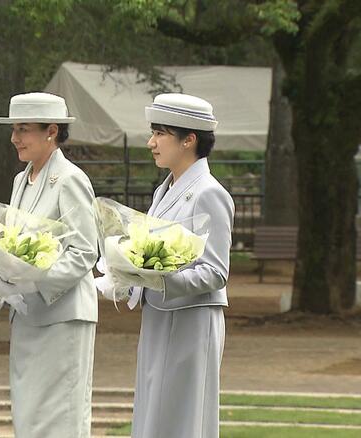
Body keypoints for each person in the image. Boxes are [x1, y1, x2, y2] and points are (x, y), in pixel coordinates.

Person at [0, 92, 98, 437]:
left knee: (59, 416)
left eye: (23, 129)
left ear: (51, 131)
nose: (15, 138)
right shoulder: (21, 179)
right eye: (14, 129)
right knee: (28, 413)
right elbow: (11, 243)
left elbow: (84, 250)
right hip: (27, 314)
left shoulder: (70, 178)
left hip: (62, 316)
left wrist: (35, 281)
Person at [127, 93, 234, 437]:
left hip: (191, 320)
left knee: (182, 417)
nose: (151, 143)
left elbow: (216, 272)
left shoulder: (208, 192)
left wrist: (159, 278)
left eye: (160, 133)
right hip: (159, 316)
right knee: (153, 414)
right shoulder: (165, 189)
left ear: (189, 140)